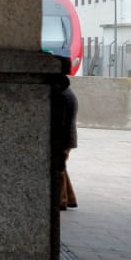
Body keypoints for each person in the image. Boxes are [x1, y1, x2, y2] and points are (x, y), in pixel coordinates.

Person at [52, 74, 79, 211]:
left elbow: (60, 122)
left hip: (63, 138)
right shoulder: (67, 93)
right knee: (62, 167)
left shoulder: (62, 96)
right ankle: (70, 197)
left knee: (59, 168)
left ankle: (61, 200)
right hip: (68, 137)